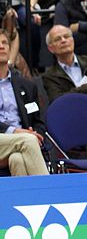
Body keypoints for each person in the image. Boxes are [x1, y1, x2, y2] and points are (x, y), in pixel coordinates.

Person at [0, 29, 48, 176]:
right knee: (28, 141)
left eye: (4, 43)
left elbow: (38, 121)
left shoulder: (26, 85)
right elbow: (24, 137)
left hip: (20, 143)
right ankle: (51, 196)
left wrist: (36, 134)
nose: (1, 46)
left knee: (17, 160)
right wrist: (15, 131)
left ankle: (22, 200)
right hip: (16, 138)